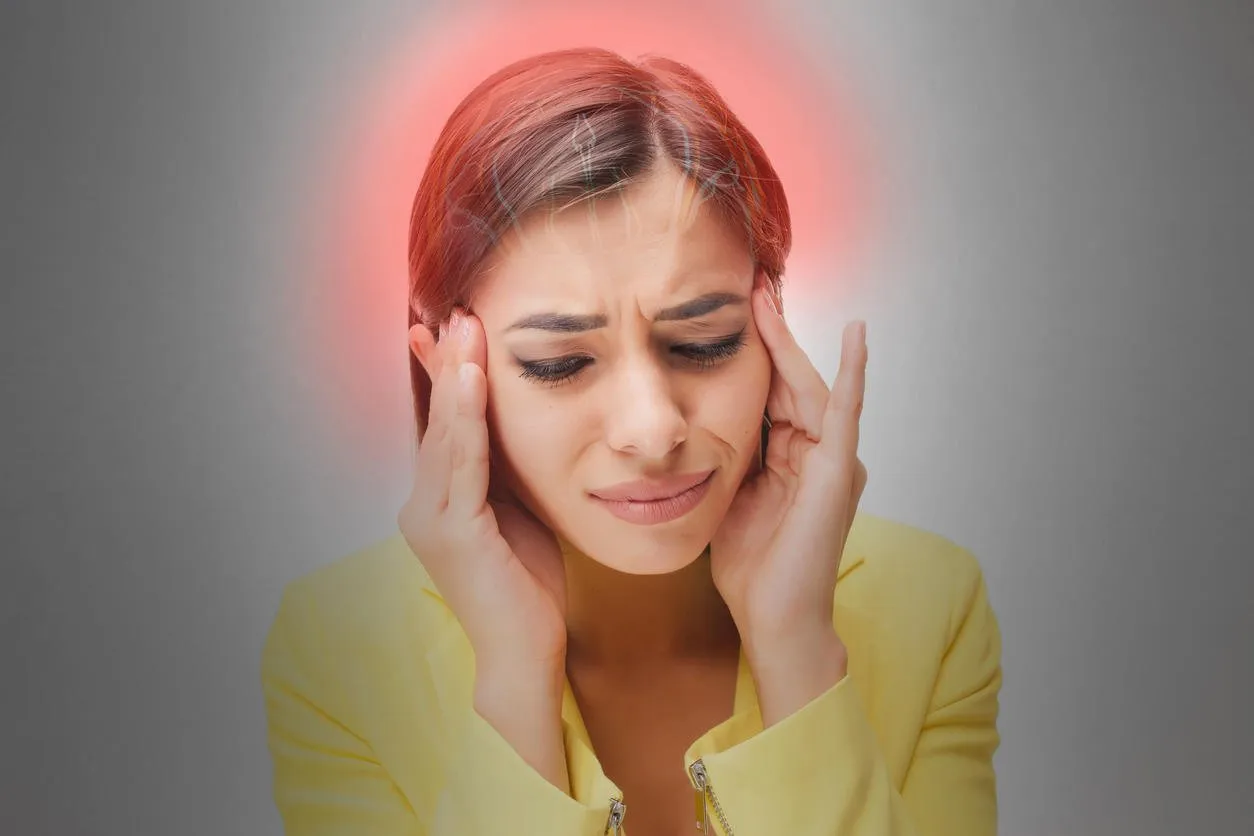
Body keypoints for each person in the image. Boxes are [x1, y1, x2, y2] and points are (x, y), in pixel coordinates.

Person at [261, 47, 1002, 835]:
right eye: (560, 363)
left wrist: (798, 655)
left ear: (771, 330)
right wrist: (514, 677)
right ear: (447, 370)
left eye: (704, 341)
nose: (652, 430)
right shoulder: (336, 651)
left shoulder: (931, 609)